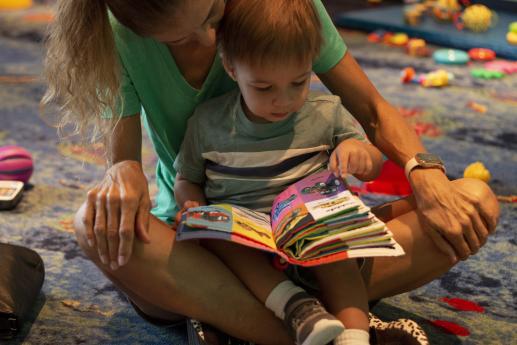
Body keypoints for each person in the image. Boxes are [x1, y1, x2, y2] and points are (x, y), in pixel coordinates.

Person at [42, 0, 500, 344]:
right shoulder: (114, 34)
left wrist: (427, 174)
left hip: (309, 236)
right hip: (212, 248)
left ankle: (247, 322)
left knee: (474, 203)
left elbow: (371, 110)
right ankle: (330, 327)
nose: (207, 39)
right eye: (178, 39)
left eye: (215, 14)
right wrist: (122, 171)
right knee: (91, 224)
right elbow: (130, 162)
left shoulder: (283, 8)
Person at [173, 2, 383, 344]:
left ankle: (356, 336)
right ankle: (299, 309)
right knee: (217, 240)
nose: (283, 101)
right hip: (245, 236)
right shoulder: (208, 124)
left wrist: (359, 154)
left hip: (309, 227)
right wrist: (192, 203)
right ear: (230, 67)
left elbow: (373, 161)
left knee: (337, 252)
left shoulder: (326, 114)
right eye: (263, 88)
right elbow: (186, 177)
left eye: (298, 83)